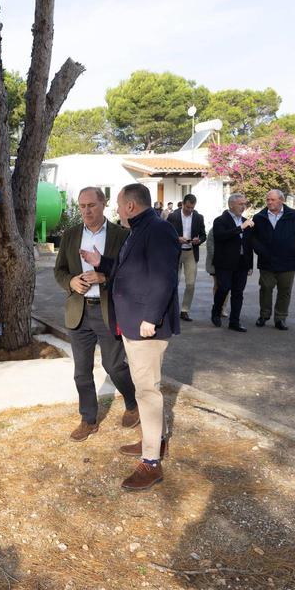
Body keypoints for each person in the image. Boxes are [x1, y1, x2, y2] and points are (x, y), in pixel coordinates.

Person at [81, 183, 180, 491]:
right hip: (133, 322)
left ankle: (151, 464)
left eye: (119, 205)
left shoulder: (158, 229)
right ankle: (154, 442)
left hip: (145, 325)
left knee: (147, 392)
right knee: (144, 389)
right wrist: (103, 263)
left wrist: (152, 317)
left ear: (131, 207)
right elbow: (132, 271)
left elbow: (164, 277)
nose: (117, 210)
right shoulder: (140, 228)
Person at [53, 187, 140, 440]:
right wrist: (71, 282)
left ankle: (133, 403)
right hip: (78, 312)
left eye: (91, 205)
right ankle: (88, 419)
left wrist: (105, 276)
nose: (86, 211)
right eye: (82, 206)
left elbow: (132, 274)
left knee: (113, 365)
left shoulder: (121, 235)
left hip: (108, 311)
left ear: (103, 204)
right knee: (81, 371)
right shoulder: (70, 236)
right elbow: (59, 271)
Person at [250, 189, 295, 330]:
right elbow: (253, 238)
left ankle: (280, 318)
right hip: (266, 261)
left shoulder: (294, 216)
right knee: (266, 288)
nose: (269, 202)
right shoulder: (259, 217)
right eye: (268, 200)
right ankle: (264, 315)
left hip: (287, 261)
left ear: (281, 200)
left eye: (272, 200)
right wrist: (260, 251)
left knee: (284, 291)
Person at [210, 193, 255, 331]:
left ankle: (234, 321)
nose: (243, 206)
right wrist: (240, 228)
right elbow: (220, 236)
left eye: (244, 204)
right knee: (224, 288)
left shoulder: (246, 221)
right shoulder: (220, 221)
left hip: (242, 262)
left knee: (238, 292)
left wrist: (250, 265)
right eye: (240, 204)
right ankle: (216, 312)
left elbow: (249, 245)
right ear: (231, 205)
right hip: (224, 262)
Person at [166, 194, 206, 321]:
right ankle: (171, 309)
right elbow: (165, 233)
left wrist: (198, 240)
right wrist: (177, 239)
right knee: (174, 282)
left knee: (190, 284)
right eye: (188, 207)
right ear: (182, 204)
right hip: (175, 252)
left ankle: (184, 310)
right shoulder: (173, 216)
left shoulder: (199, 217)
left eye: (192, 208)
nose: (190, 210)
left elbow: (204, 235)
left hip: (191, 252)